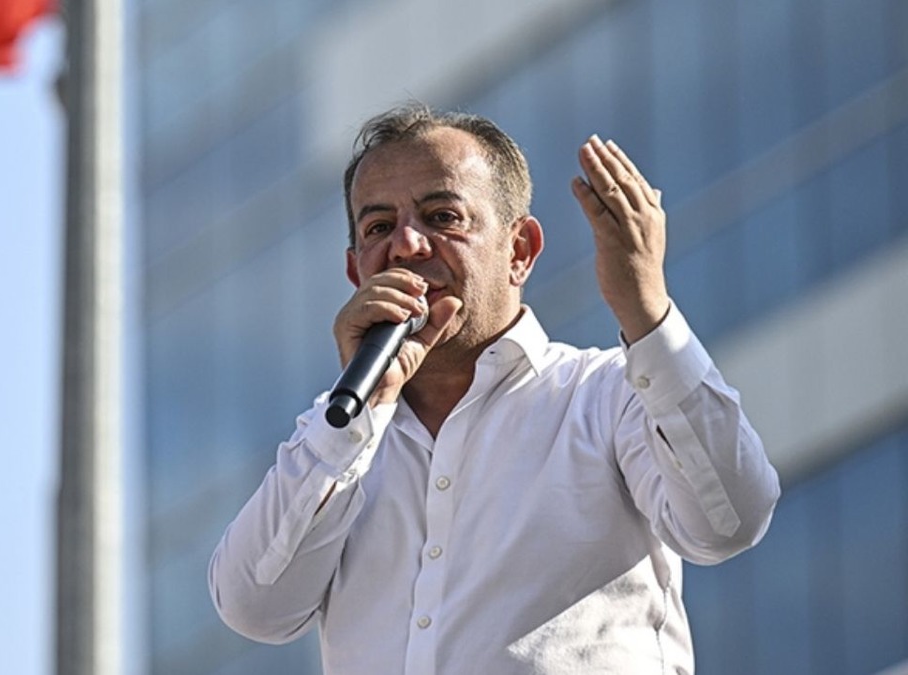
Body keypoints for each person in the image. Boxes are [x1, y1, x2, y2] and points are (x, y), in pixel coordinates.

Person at [208, 104, 780, 674]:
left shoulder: (607, 393)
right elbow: (253, 608)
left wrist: (646, 309)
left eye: (443, 216)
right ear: (357, 271)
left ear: (519, 251)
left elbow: (729, 521)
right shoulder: (336, 435)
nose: (406, 245)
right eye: (378, 227)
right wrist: (354, 422)